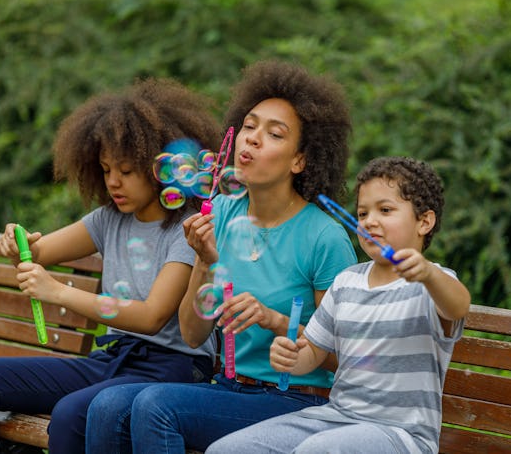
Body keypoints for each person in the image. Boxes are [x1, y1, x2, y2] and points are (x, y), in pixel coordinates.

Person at [85, 59, 358, 454]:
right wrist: (205, 260)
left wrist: (275, 320)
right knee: (107, 406)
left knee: (156, 407)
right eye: (248, 126)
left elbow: (345, 357)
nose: (253, 139)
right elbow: (194, 332)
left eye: (274, 134)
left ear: (300, 160)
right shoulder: (223, 211)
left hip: (298, 400)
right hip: (230, 387)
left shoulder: (324, 237)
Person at [0, 78, 223, 454]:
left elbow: (151, 317)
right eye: (105, 169)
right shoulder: (107, 219)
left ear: (159, 167)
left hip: (172, 370)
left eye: (127, 171)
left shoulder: (188, 229)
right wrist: (17, 244)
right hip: (114, 359)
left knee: (71, 415)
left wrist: (58, 292)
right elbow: (36, 252)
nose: (114, 181)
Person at [206, 156, 472, 454]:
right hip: (336, 418)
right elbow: (315, 352)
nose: (369, 221)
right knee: (229, 449)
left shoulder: (433, 284)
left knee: (318, 450)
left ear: (425, 221)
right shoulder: (347, 282)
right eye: (362, 213)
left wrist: (427, 273)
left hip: (401, 435)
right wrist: (293, 356)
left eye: (385, 210)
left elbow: (458, 306)